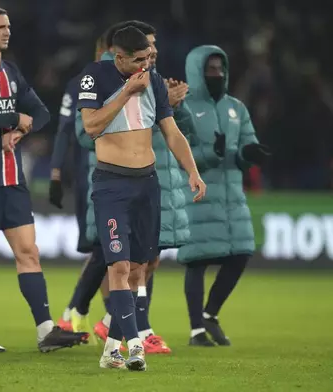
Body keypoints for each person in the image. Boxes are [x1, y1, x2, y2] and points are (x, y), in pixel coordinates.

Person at [0, 6, 89, 353]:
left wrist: (20, 131)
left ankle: (46, 332)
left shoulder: (11, 72)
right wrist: (16, 117)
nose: (7, 31)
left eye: (8, 26)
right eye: (0, 26)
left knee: (29, 251)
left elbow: (41, 112)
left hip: (12, 178)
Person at [77, 26, 206, 371]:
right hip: (112, 185)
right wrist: (126, 91)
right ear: (118, 57)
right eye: (139, 59)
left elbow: (171, 131)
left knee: (139, 270)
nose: (145, 65)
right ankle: (135, 345)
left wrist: (191, 170)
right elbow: (91, 127)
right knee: (118, 266)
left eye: (148, 58)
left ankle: (111, 349)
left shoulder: (153, 80)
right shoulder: (95, 77)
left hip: (147, 184)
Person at [179, 45, 270, 347]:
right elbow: (178, 152)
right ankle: (195, 331)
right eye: (210, 69)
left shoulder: (236, 108)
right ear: (197, 71)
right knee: (197, 260)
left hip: (232, 196)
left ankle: (210, 315)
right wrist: (210, 154)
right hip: (197, 193)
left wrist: (249, 153)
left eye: (220, 69)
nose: (216, 74)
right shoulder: (185, 107)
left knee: (241, 253)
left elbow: (247, 142)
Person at [52, 28, 115, 343]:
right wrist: (54, 171)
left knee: (105, 250)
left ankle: (94, 316)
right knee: (102, 248)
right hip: (87, 174)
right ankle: (83, 313)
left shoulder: (130, 83)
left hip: (110, 174)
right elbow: (66, 131)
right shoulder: (80, 84)